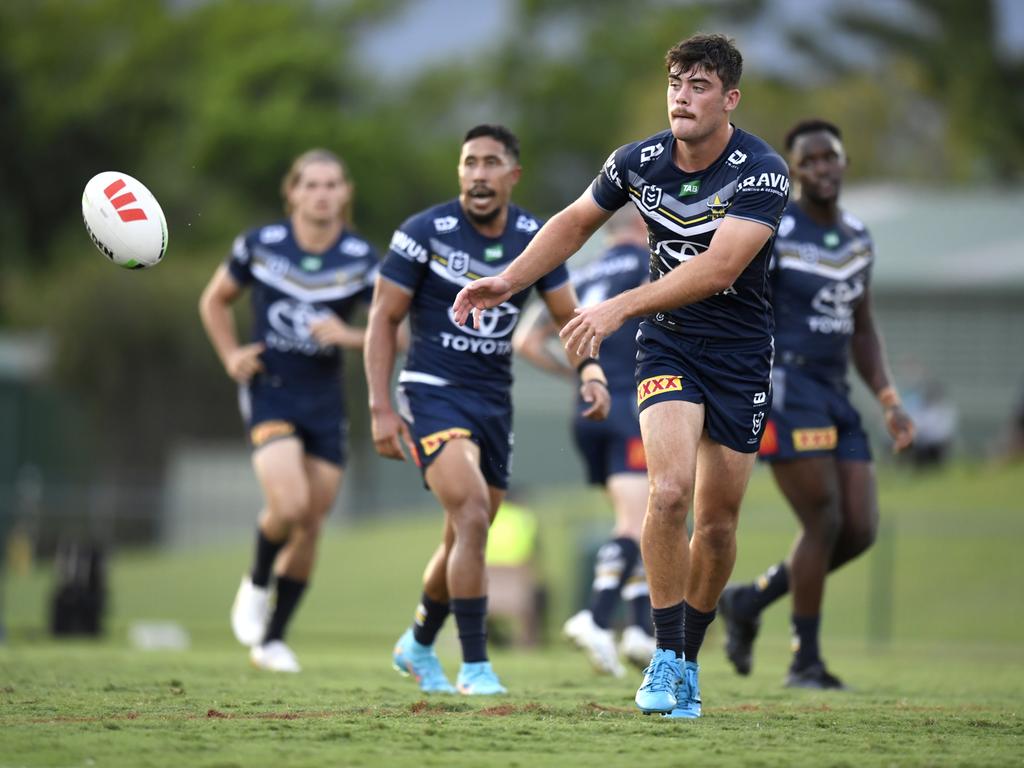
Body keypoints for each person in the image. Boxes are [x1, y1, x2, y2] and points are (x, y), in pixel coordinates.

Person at [455, 34, 790, 719]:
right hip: (667, 347)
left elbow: (722, 268)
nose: (682, 96)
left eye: (699, 85)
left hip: (740, 355)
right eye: (675, 83)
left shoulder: (762, 171)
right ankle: (666, 657)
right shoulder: (636, 162)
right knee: (666, 495)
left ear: (729, 100)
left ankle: (688, 655)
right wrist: (509, 279)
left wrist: (617, 306)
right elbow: (575, 223)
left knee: (719, 525)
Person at [365, 124, 611, 696]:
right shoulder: (423, 233)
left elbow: (567, 318)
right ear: (460, 172)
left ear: (512, 175)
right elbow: (382, 319)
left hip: (493, 404)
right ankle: (475, 666)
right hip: (430, 391)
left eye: (491, 162)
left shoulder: (536, 237)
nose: (478, 173)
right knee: (473, 513)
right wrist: (381, 407)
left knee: (463, 537)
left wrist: (592, 372)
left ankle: (418, 644)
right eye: (469, 162)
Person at [717, 119, 915, 689]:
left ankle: (750, 601)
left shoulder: (857, 236)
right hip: (786, 389)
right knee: (823, 517)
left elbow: (863, 327)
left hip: (837, 395)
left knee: (860, 528)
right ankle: (805, 659)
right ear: (793, 170)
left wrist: (888, 397)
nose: (822, 168)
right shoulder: (774, 228)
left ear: (844, 162)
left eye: (831, 157)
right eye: (810, 161)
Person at [198, 149, 378, 672]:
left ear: (345, 193)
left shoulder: (364, 258)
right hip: (270, 389)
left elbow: (398, 329)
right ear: (292, 192)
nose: (321, 194)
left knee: (312, 524)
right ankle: (256, 581)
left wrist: (350, 335)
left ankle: (272, 640)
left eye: (331, 185)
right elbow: (214, 300)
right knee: (292, 505)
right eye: (311, 185)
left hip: (325, 400)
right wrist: (231, 354)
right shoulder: (260, 245)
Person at [512, 207, 655, 677]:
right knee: (637, 522)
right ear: (645, 228)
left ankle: (638, 630)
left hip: (588, 411)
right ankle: (595, 618)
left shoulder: (584, 274)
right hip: (633, 409)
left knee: (637, 520)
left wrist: (577, 378)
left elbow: (526, 343)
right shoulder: (648, 266)